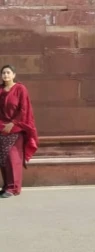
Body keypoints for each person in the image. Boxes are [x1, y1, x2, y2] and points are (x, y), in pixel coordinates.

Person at [0, 64, 38, 198]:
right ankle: (6, 186)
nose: (5, 75)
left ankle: (14, 188)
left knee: (13, 159)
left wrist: (13, 123)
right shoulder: (0, 90)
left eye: (8, 72)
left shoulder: (20, 89)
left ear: (14, 75)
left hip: (16, 128)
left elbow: (24, 109)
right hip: (1, 128)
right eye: (3, 73)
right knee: (3, 159)